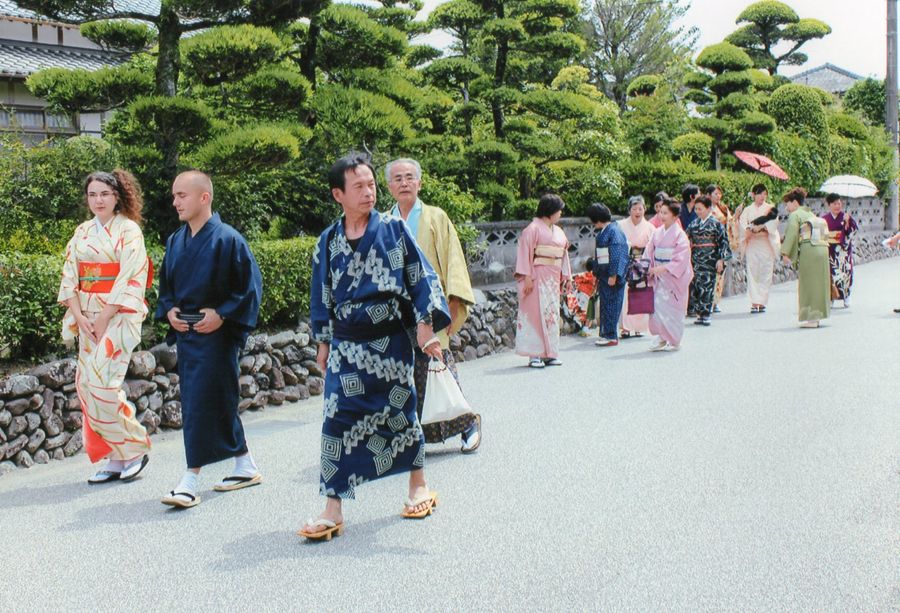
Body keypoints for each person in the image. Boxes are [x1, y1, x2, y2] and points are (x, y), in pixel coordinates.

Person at [301, 152, 450, 541]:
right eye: (359, 187)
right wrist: (323, 342)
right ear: (339, 194)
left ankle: (418, 484)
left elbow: (421, 279)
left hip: (390, 344)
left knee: (401, 412)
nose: (368, 193)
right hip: (347, 347)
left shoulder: (393, 229)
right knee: (336, 420)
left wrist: (424, 326)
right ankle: (333, 506)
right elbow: (322, 296)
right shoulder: (327, 242)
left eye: (371, 185)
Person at [156, 170, 264, 509]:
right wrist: (170, 310)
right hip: (188, 335)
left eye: (181, 195)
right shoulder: (176, 240)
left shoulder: (228, 239)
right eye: (174, 196)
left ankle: (190, 477)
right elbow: (167, 288)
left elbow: (249, 288)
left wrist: (222, 313)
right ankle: (244, 464)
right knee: (212, 400)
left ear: (204, 197)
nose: (175, 202)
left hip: (216, 336)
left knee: (203, 401)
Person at [58, 170, 152, 484]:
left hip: (118, 317)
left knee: (103, 384)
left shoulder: (129, 230)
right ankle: (114, 456)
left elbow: (130, 277)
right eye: (93, 194)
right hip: (85, 319)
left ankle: (134, 449)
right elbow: (70, 276)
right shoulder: (82, 231)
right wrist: (80, 316)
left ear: (117, 197)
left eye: (104, 194)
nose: (98, 200)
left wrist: (103, 316)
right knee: (86, 387)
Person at [386, 158, 481, 453]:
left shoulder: (436, 218)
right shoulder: (383, 222)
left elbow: (453, 262)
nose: (404, 183)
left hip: (430, 306)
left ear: (419, 183)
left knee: (438, 367)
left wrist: (452, 306)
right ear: (389, 187)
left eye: (409, 177)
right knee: (401, 374)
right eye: (398, 178)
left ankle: (467, 424)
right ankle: (411, 437)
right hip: (396, 312)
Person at [514, 194, 572, 368]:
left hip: (553, 278)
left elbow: (564, 255)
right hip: (536, 277)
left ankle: (550, 354)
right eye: (559, 210)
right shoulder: (532, 229)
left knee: (551, 314)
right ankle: (535, 355)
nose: (561, 213)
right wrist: (527, 277)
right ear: (550, 211)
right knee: (535, 314)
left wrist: (566, 276)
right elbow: (525, 254)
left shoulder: (559, 232)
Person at [644, 199, 693, 351]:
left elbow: (681, 259)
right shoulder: (657, 233)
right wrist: (647, 267)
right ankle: (662, 338)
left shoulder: (680, 235)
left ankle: (674, 339)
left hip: (673, 278)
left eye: (665, 213)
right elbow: (649, 252)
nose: (661, 215)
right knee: (658, 308)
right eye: (661, 212)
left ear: (675, 216)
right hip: (659, 279)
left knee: (673, 309)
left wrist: (663, 268)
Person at [781, 187, 831, 328]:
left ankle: (812, 318)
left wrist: (785, 253)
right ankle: (819, 315)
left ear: (795, 203)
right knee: (819, 283)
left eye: (788, 204)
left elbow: (792, 234)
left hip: (810, 248)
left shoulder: (796, 214)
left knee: (808, 284)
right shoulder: (810, 214)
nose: (786, 208)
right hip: (822, 248)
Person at [685, 195, 732, 326]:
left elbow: (723, 242)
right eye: (696, 209)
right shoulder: (694, 224)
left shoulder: (716, 224)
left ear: (708, 208)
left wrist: (721, 259)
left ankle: (706, 314)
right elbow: (685, 238)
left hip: (711, 259)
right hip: (696, 259)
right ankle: (700, 313)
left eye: (700, 209)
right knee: (697, 286)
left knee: (708, 286)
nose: (697, 211)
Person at [587, 203, 629, 347]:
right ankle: (607, 334)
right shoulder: (608, 230)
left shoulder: (614, 231)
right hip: (604, 274)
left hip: (611, 276)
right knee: (607, 304)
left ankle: (611, 335)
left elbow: (617, 254)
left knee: (612, 304)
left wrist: (613, 275)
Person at [617, 195, 655, 337]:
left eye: (640, 208)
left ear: (645, 209)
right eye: (634, 209)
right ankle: (625, 328)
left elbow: (652, 248)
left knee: (641, 294)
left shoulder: (650, 228)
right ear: (629, 210)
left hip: (643, 264)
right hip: (627, 262)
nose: (637, 211)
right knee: (626, 295)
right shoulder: (620, 225)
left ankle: (640, 327)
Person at [739, 184, 780, 314]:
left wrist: (761, 227)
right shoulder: (747, 210)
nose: (763, 196)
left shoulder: (770, 208)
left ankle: (761, 301)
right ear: (753, 195)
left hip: (765, 242)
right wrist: (749, 229)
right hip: (753, 243)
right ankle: (754, 302)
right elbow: (742, 223)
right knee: (752, 271)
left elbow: (773, 223)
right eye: (760, 193)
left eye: (764, 194)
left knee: (766, 271)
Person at [821, 193, 858, 308]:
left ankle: (846, 296)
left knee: (845, 272)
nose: (838, 206)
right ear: (829, 205)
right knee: (830, 273)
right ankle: (831, 296)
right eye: (834, 204)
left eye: (839, 203)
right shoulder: (824, 219)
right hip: (829, 248)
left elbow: (852, 231)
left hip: (843, 250)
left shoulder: (845, 216)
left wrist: (847, 222)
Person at [706, 184, 735, 311]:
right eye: (715, 193)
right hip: (709, 243)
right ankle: (708, 300)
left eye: (719, 194)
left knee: (720, 273)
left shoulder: (722, 208)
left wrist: (735, 215)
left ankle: (716, 301)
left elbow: (730, 222)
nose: (718, 196)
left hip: (721, 243)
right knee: (709, 272)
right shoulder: (704, 208)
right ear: (708, 195)